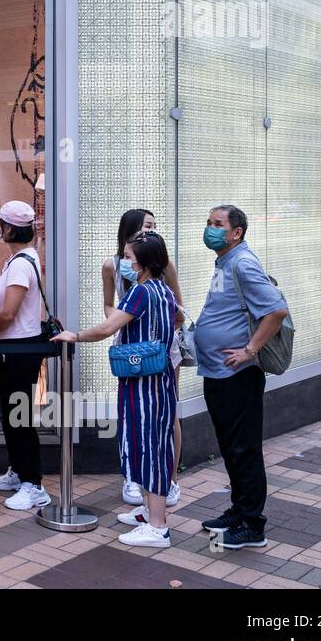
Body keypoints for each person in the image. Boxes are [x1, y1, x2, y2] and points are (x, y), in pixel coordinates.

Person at [54, 230, 179, 548]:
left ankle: (157, 526)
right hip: (158, 380)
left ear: (144, 263)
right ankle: (149, 511)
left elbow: (109, 327)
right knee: (152, 445)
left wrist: (75, 335)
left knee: (150, 450)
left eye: (128, 258)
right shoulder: (162, 289)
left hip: (144, 385)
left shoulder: (140, 292)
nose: (123, 262)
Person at [192, 204, 288, 550]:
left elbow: (276, 310)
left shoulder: (244, 263)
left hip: (238, 375)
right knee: (231, 447)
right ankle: (238, 510)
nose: (210, 229)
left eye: (218, 224)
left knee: (244, 448)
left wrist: (249, 350)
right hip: (218, 372)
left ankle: (252, 525)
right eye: (208, 222)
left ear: (237, 233)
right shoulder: (226, 262)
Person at [102, 208, 185, 508]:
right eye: (146, 227)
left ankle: (169, 479)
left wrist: (153, 332)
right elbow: (108, 306)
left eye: (154, 227)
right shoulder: (111, 266)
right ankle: (135, 478)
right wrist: (124, 321)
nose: (151, 232)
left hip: (162, 349)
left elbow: (178, 310)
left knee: (166, 414)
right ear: (130, 232)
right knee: (133, 414)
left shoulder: (163, 267)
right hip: (128, 348)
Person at [0, 200, 51, 510]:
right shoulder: (22, 259)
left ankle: (33, 483)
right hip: (17, 345)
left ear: (9, 229)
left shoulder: (21, 264)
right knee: (13, 414)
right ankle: (19, 471)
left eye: (0, 224)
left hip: (19, 347)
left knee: (19, 416)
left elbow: (8, 312)